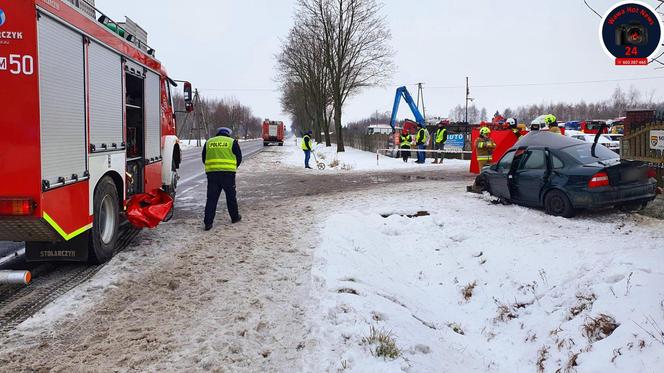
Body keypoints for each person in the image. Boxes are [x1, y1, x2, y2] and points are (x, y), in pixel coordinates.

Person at [202, 127, 242, 231]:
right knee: (231, 197)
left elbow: (204, 158)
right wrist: (233, 167)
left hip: (212, 175)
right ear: (228, 134)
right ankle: (234, 217)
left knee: (211, 199)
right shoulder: (232, 142)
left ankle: (208, 223)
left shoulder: (209, 142)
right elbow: (239, 157)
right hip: (228, 175)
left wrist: (212, 167)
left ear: (218, 133)